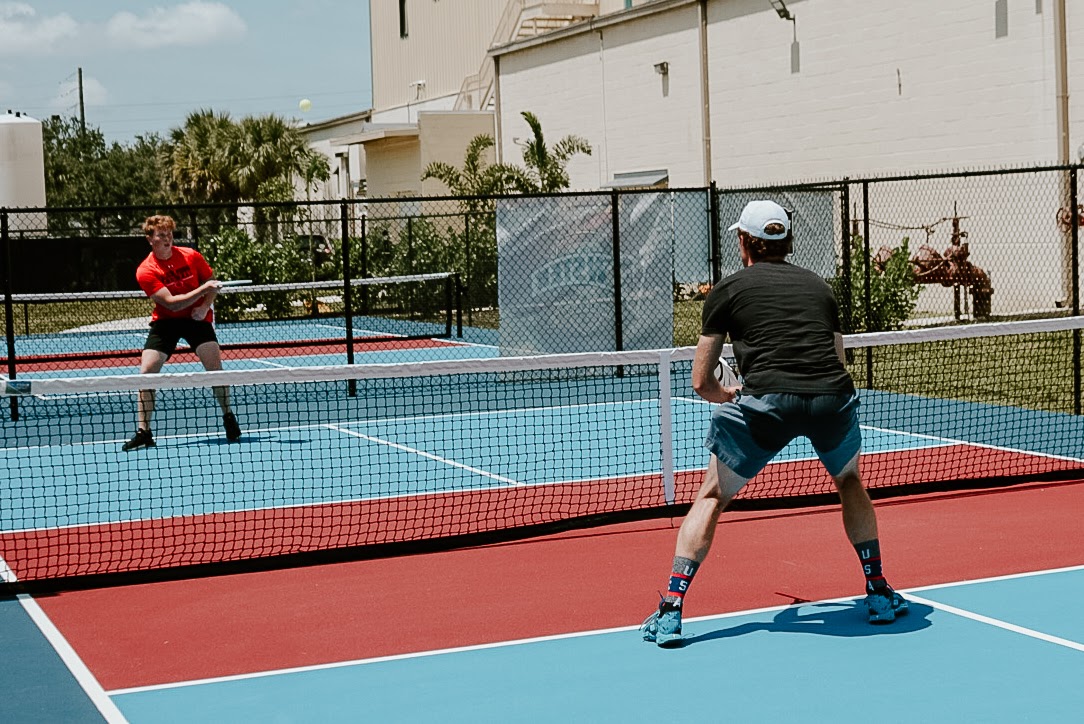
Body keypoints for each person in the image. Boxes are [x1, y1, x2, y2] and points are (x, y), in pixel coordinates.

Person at [640, 200, 907, 647]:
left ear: (744, 242)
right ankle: (878, 590)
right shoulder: (822, 289)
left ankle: (671, 609)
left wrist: (727, 395)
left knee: (711, 496)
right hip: (831, 399)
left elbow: (701, 380)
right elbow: (838, 361)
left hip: (766, 403)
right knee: (850, 483)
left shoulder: (725, 290)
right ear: (787, 243)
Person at [122, 215, 242, 451]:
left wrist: (206, 304)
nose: (167, 239)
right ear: (149, 239)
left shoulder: (191, 256)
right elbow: (173, 304)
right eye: (161, 235)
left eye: (169, 234)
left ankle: (228, 416)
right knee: (146, 372)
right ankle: (144, 431)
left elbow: (211, 282)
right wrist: (203, 290)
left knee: (215, 368)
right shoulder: (145, 271)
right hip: (167, 321)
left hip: (197, 319)